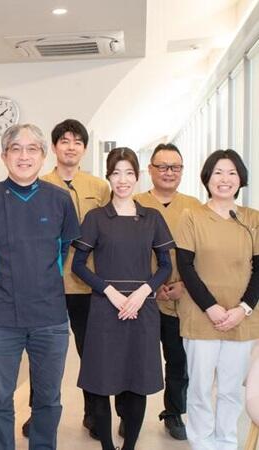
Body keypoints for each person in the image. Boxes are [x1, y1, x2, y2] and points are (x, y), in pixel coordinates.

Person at [0, 124, 80, 450]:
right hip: (1, 316)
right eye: (16, 148)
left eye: (32, 149)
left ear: (43, 156)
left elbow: (63, 250)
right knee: (0, 398)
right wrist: (2, 278)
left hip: (50, 316)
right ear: (4, 156)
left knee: (48, 398)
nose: (24, 156)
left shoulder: (60, 200)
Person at [72, 147, 174, 450]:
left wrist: (144, 291)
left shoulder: (152, 217)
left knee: (136, 382)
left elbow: (165, 265)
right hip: (106, 309)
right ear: (108, 176)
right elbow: (78, 265)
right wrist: (110, 292)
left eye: (129, 173)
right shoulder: (96, 218)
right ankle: (106, 445)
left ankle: (129, 446)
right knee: (100, 382)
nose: (123, 179)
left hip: (142, 309)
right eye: (116, 173)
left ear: (137, 176)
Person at [22, 119, 110, 439]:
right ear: (54, 147)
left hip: (88, 285)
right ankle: (39, 416)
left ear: (84, 149)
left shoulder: (99, 187)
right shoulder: (38, 184)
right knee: (43, 355)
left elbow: (109, 235)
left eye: (77, 142)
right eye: (65, 141)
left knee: (93, 353)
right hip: (49, 286)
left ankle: (95, 414)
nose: (71, 147)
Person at [175, 149, 259, 450]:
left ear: (241, 179)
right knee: (199, 387)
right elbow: (186, 267)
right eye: (218, 172)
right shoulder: (191, 217)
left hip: (241, 318)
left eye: (232, 173)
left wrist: (243, 309)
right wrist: (211, 308)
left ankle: (226, 442)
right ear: (207, 178)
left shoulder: (252, 219)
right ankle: (201, 443)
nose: (225, 179)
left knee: (231, 389)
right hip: (201, 316)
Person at [134, 143, 201, 440]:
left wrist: (184, 285)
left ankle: (174, 413)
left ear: (182, 171)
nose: (168, 172)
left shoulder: (195, 207)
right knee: (135, 359)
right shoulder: (134, 203)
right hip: (141, 298)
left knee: (178, 360)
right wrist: (149, 288)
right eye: (162, 166)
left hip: (181, 297)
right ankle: (129, 414)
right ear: (150, 170)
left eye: (175, 167)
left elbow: (203, 254)